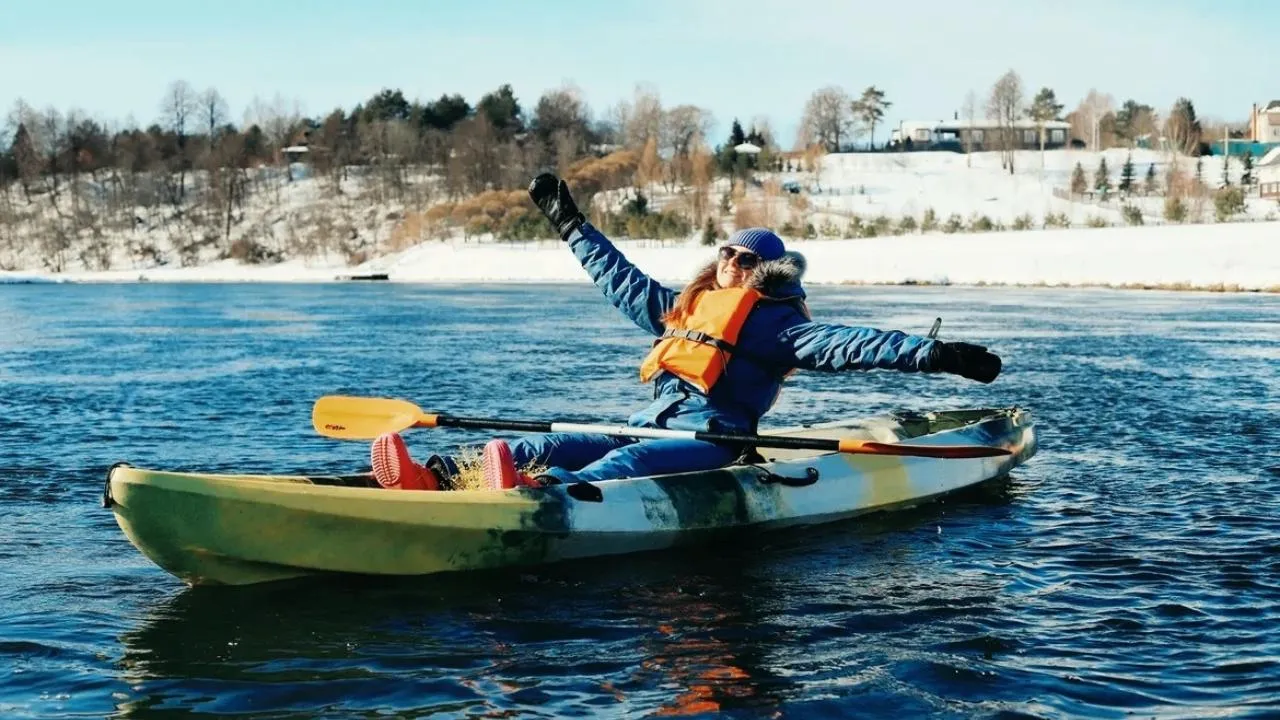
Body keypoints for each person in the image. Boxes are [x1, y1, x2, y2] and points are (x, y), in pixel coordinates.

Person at [370, 173, 1001, 492]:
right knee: (552, 442)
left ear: (767, 275)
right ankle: (439, 477)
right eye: (729, 253)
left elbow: (855, 345)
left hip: (716, 444)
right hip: (646, 421)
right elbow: (617, 277)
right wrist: (569, 223)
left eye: (748, 260)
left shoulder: (779, 328)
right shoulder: (685, 308)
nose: (734, 264)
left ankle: (531, 497)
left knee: (629, 462)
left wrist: (936, 353)